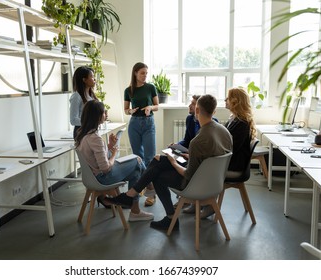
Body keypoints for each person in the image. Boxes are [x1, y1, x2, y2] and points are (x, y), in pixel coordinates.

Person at [107, 94, 233, 230]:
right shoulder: (225, 132)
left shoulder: (198, 140)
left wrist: (173, 162)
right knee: (159, 160)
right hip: (215, 183)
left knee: (158, 175)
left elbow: (187, 174)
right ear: (214, 111)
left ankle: (167, 216)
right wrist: (189, 156)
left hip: (197, 185)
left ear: (197, 110)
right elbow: (211, 157)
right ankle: (132, 194)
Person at [75, 100, 154, 222]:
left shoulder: (82, 134)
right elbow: (105, 168)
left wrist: (110, 147)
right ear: (97, 116)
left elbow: (96, 159)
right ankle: (149, 189)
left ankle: (136, 209)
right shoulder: (95, 138)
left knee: (136, 172)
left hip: (92, 177)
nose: (106, 115)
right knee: (137, 161)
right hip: (102, 178)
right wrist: (114, 154)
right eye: (104, 112)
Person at [124, 62, 159, 206]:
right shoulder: (128, 90)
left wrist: (150, 107)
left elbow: (157, 106)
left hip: (148, 123)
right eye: (142, 73)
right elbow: (125, 109)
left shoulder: (151, 87)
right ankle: (137, 191)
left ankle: (152, 193)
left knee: (150, 158)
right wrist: (130, 111)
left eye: (146, 73)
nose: (145, 76)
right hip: (134, 124)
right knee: (138, 158)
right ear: (135, 73)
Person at [224, 87, 257, 178]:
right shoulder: (234, 118)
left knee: (201, 168)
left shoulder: (242, 123)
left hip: (234, 165)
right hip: (230, 161)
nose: (225, 100)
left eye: (228, 98)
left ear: (236, 101)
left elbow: (231, 147)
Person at [70, 66, 98, 140]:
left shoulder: (91, 95)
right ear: (84, 80)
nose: (94, 79)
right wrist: (90, 122)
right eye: (92, 76)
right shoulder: (76, 96)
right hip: (81, 133)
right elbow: (73, 120)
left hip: (91, 131)